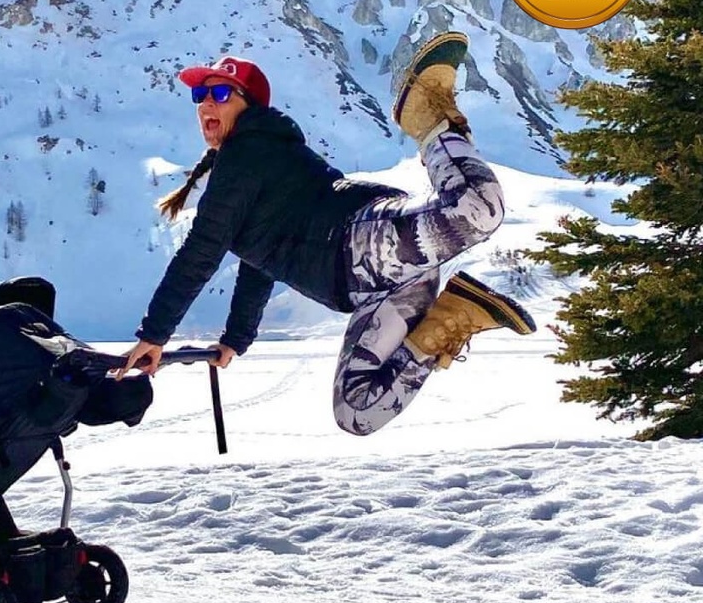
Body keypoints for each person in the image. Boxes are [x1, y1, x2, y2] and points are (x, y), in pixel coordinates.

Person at [115, 32, 535, 436]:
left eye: (221, 93)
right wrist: (235, 339)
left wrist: (154, 335)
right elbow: (259, 263)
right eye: (200, 95)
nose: (207, 102)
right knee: (356, 411)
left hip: (360, 240)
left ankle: (428, 118)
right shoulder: (249, 164)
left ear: (249, 106)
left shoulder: (249, 151)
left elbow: (200, 252)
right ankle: (450, 319)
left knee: (477, 207)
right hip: (370, 286)